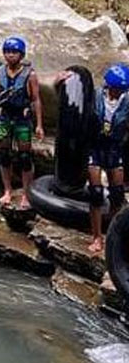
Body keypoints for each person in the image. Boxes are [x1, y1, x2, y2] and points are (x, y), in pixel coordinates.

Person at [58, 63, 129, 254]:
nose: (116, 92)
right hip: (96, 148)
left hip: (114, 149)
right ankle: (96, 237)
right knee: (96, 193)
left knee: (117, 195)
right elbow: (74, 104)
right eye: (114, 88)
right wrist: (60, 83)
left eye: (120, 89)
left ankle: (112, 235)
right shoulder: (96, 96)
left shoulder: (127, 101)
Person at [0, 36, 44, 209]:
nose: (10, 55)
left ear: (21, 55)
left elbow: (36, 100)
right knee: (4, 154)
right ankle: (7, 190)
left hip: (22, 119)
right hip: (5, 118)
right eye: (7, 52)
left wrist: (39, 124)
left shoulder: (30, 74)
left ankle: (27, 193)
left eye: (14, 52)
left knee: (25, 156)